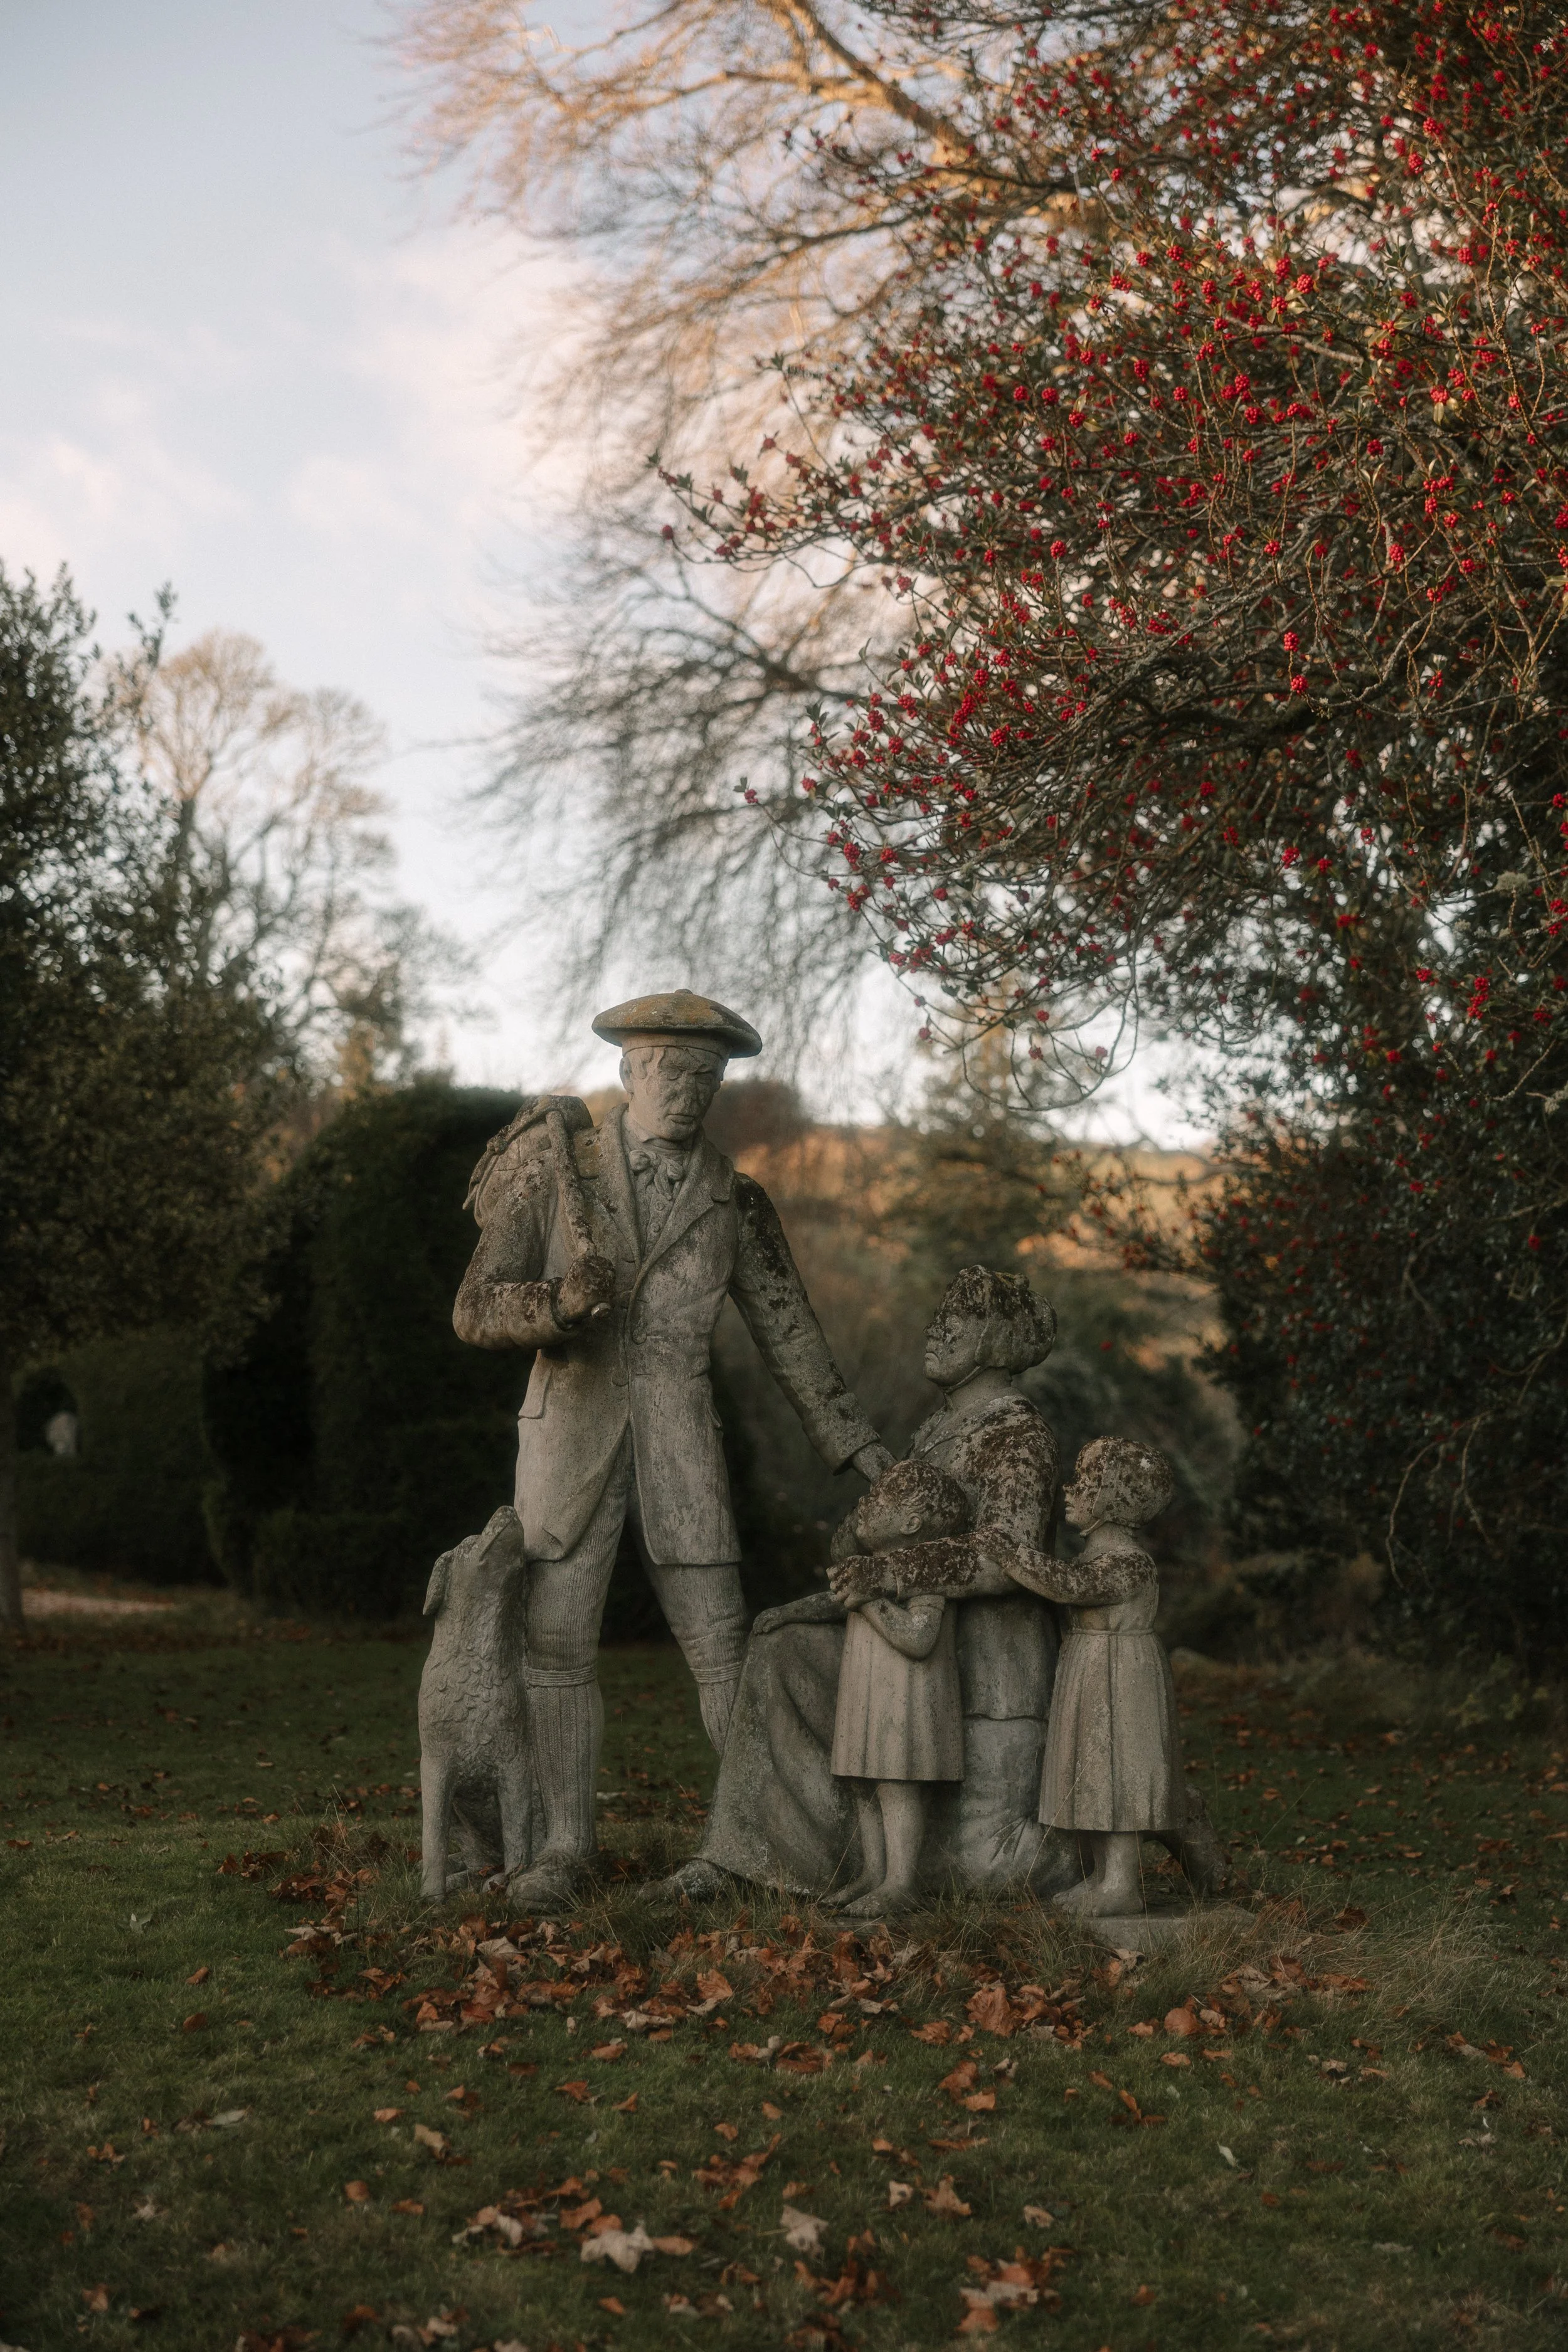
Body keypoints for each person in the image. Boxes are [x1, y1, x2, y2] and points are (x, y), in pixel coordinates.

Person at [452, 988, 891, 1909]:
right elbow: (475, 1305)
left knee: (724, 1648)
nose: (688, 1091)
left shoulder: (736, 1201)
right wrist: (558, 1307)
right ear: (627, 1069)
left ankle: (761, 1847)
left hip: (683, 1447)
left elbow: (795, 1340)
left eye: (707, 1075)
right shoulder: (554, 1170)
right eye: (669, 1069)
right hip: (568, 1437)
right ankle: (563, 1849)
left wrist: (855, 1448)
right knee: (555, 1647)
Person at [1037, 1437, 1185, 1917]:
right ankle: (1104, 1877)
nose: (1070, 1489)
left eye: (1083, 1482)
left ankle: (1123, 1884)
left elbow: (1069, 1587)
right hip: (1092, 1664)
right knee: (1093, 1773)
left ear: (1111, 1499)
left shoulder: (1128, 1561)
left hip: (1121, 1672)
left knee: (1118, 1772)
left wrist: (1007, 1552)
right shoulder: (1099, 1556)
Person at [825, 1461, 970, 1916]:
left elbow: (920, 1638)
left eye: (880, 1498)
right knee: (862, 1778)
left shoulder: (926, 1570)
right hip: (869, 1687)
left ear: (910, 1522)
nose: (865, 1504)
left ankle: (901, 1881)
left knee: (896, 1781)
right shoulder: (872, 1566)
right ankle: (874, 1872)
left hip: (908, 1693)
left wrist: (870, 1601)